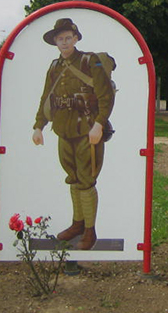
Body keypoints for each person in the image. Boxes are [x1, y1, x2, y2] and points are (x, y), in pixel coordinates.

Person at [32, 18, 114, 250]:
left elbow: (105, 95)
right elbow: (47, 97)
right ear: (55, 42)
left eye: (68, 38)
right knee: (73, 177)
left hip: (87, 129)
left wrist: (99, 124)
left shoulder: (90, 61)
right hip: (63, 129)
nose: (65, 42)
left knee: (86, 181)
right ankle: (77, 224)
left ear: (76, 38)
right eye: (60, 39)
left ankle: (90, 232)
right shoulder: (54, 67)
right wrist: (39, 125)